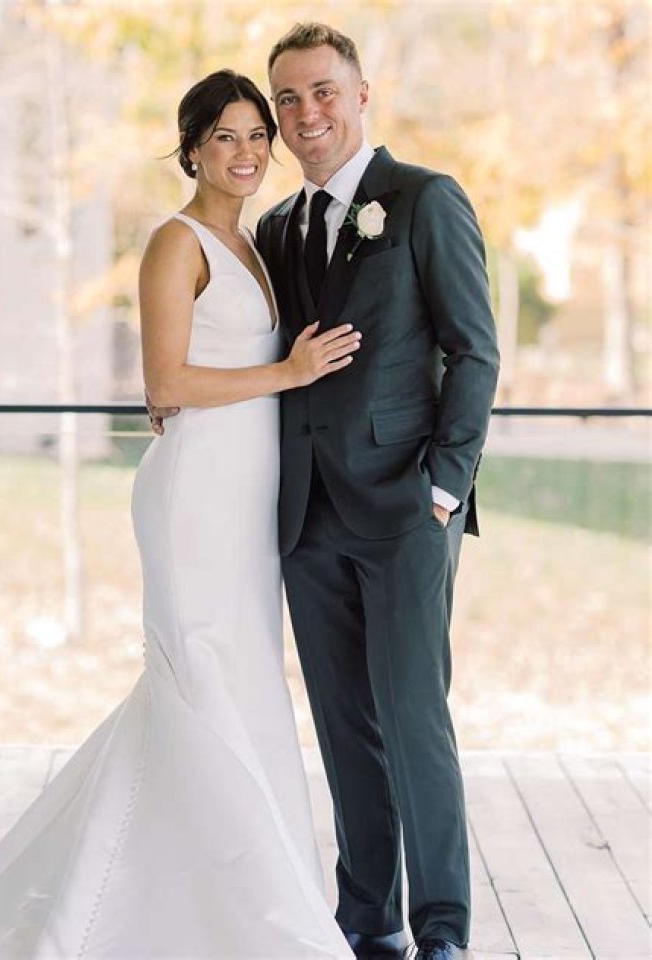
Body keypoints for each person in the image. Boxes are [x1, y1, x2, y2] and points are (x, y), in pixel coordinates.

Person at [0, 70, 359, 959]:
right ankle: (228, 913)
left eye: (257, 136)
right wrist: (289, 373)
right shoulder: (176, 242)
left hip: (248, 501)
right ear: (191, 149)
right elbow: (164, 381)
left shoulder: (254, 243)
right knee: (201, 680)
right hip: (194, 497)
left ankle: (228, 902)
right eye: (225, 137)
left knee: (242, 685)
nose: (246, 153)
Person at [255, 22, 500, 960]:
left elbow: (474, 350)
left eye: (323, 91)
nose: (306, 112)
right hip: (307, 516)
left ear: (361, 96)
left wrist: (445, 485)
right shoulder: (277, 228)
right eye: (287, 98)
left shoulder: (425, 199)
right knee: (344, 730)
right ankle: (368, 917)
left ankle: (443, 928)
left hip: (406, 509)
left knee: (413, 722)